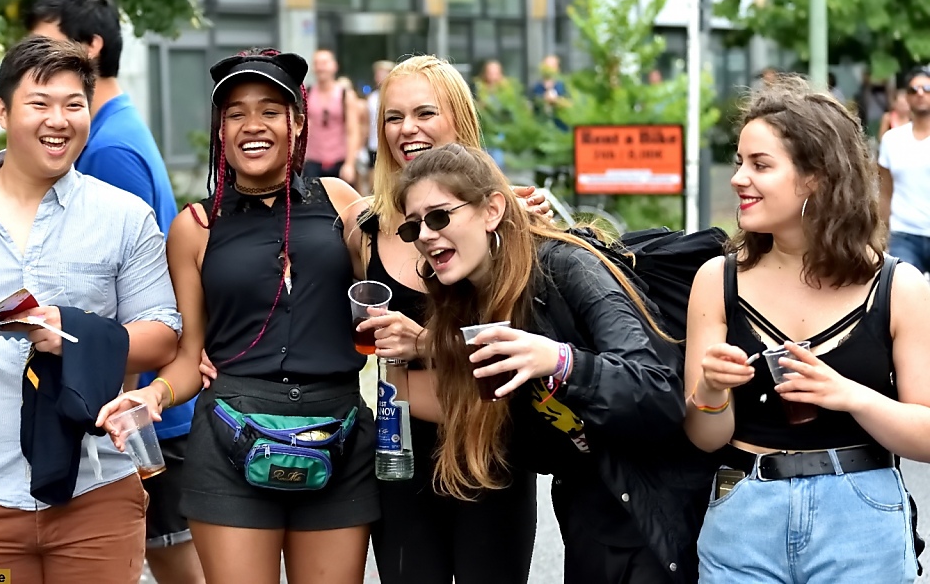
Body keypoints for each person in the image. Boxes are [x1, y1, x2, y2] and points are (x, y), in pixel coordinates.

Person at [96, 48, 378, 584]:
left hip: (337, 435)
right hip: (229, 440)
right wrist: (152, 394)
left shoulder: (340, 200)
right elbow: (187, 357)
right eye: (236, 113)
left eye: (271, 110)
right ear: (219, 129)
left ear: (297, 122)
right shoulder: (194, 227)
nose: (254, 125)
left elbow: (399, 263)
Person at [0, 35, 181, 584]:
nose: (59, 119)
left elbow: (164, 335)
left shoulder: (124, 217)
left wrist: (74, 333)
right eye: (40, 103)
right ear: (2, 110)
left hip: (98, 495)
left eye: (73, 104)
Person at [391, 143, 705, 583]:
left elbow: (659, 390)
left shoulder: (569, 266)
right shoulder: (468, 305)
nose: (425, 234)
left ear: (491, 210)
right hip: (590, 516)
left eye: (440, 216)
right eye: (412, 228)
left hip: (654, 513)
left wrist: (560, 360)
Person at [684, 75, 929, 582]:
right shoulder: (717, 279)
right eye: (739, 162)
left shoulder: (898, 287)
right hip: (742, 510)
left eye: (760, 165)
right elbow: (706, 438)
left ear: (817, 176)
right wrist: (710, 390)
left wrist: (850, 395)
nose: (738, 179)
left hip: (862, 515)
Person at [25, 0, 200, 583]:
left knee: (177, 565)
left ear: (90, 47)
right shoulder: (112, 132)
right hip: (143, 405)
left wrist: (109, 409)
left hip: (142, 414)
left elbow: (121, 297)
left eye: (43, 44)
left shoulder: (106, 151)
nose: (31, 60)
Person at [357, 55, 541, 584]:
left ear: (458, 118)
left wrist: (427, 343)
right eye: (393, 117)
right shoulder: (364, 227)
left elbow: (530, 338)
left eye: (424, 113)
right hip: (401, 452)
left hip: (490, 450)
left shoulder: (506, 218)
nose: (407, 129)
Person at [878, 66, 930, 274]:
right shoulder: (892, 140)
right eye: (913, 90)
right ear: (905, 98)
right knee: (900, 294)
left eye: (926, 88)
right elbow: (884, 191)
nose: (920, 94)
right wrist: (881, 235)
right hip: (904, 234)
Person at [304, 49, 361, 187]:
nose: (321, 67)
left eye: (324, 62)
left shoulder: (345, 94)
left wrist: (350, 164)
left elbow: (353, 131)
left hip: (339, 161)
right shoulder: (307, 93)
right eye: (317, 63)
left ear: (334, 66)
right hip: (313, 161)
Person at [366, 60, 395, 166]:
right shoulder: (372, 98)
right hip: (374, 145)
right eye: (377, 74)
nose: (379, 77)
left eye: (382, 73)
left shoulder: (396, 96)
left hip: (390, 144)